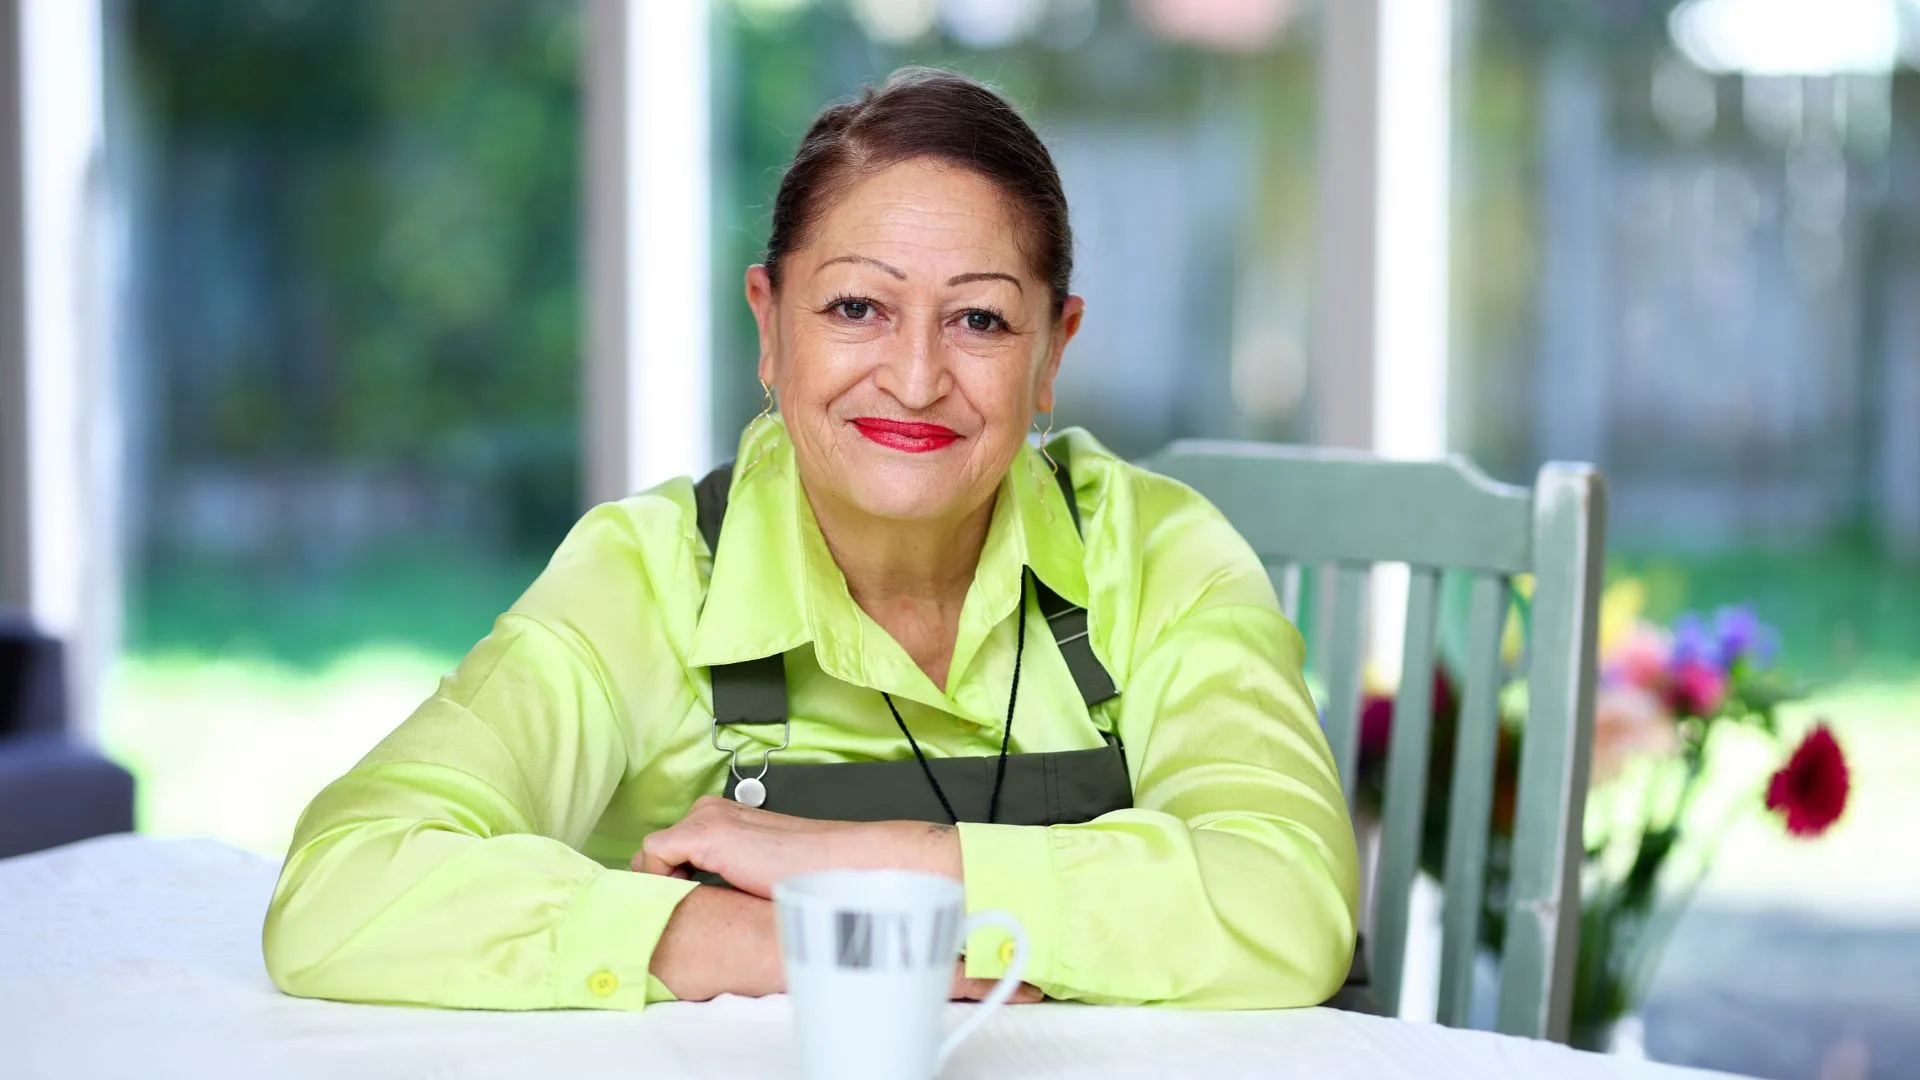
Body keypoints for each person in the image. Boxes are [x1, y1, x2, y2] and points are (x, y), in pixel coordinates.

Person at [262, 66, 1357, 1011]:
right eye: (856, 309)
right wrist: (763, 940)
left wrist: (868, 865)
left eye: (979, 319)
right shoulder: (650, 576)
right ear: (769, 324)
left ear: (1052, 353)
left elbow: (1292, 900)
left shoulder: (1158, 555)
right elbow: (343, 886)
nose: (916, 379)